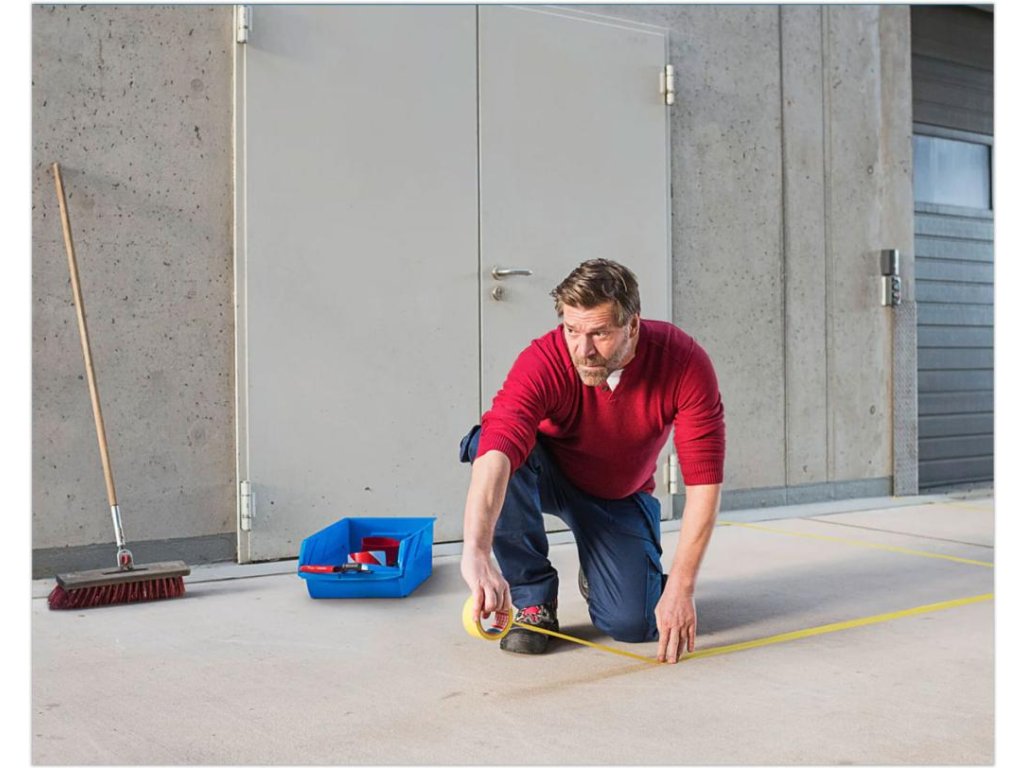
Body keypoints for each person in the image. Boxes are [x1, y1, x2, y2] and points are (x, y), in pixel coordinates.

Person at [458, 258, 726, 664]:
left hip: (619, 494)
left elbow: (704, 483)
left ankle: (606, 568)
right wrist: (475, 551)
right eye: (572, 330)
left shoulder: (683, 363)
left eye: (599, 333)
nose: (583, 350)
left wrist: (682, 587)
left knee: (633, 623)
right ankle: (533, 601)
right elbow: (496, 450)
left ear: (632, 325)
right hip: (548, 475)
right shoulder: (545, 359)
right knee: (488, 444)